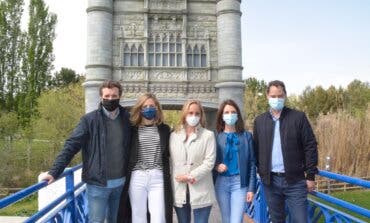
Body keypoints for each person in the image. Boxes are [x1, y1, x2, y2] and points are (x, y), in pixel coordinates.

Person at [42, 80, 131, 223]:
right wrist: (54, 171)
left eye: (114, 96)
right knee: (96, 221)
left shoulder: (127, 119)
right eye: (107, 96)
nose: (110, 99)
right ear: (101, 97)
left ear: (120, 96)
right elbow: (71, 146)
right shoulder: (88, 120)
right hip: (97, 184)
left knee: (115, 220)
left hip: (121, 184)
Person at [253, 80, 318, 223]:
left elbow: (310, 145)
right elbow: (256, 149)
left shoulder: (298, 117)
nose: (277, 99)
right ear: (267, 96)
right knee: (277, 220)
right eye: (273, 96)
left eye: (280, 96)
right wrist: (261, 171)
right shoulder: (259, 121)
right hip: (271, 182)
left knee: (300, 220)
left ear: (285, 96)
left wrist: (311, 175)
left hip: (295, 181)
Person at [126, 93, 173, 223]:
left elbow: (171, 152)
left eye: (151, 106)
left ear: (157, 108)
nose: (148, 108)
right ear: (140, 109)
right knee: (138, 216)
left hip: (157, 176)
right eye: (145, 106)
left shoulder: (164, 129)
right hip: (137, 176)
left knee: (158, 217)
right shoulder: (132, 129)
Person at [169, 99, 216, 223]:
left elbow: (209, 162)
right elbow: (170, 161)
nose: (193, 116)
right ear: (184, 114)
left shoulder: (208, 135)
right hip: (180, 190)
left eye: (197, 113)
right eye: (190, 113)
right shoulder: (174, 136)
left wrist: (190, 176)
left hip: (201, 189)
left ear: (201, 116)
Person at [214, 99, 256, 223]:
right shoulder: (215, 136)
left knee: (236, 220)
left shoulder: (246, 136)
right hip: (221, 183)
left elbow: (252, 164)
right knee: (226, 220)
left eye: (233, 112)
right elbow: (209, 160)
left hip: (239, 183)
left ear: (237, 115)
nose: (230, 115)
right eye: (226, 112)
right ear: (222, 116)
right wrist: (216, 166)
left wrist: (251, 188)